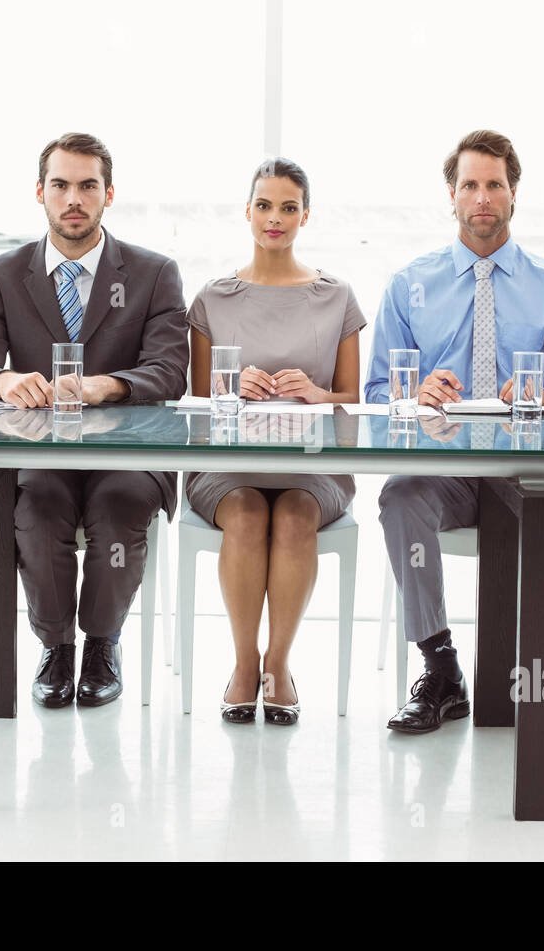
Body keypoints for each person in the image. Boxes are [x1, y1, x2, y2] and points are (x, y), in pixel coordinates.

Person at [365, 129, 544, 735]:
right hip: (444, 469)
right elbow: (375, 394)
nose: (482, 198)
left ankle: (530, 668)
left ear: (514, 194)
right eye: (470, 185)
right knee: (398, 498)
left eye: (494, 185)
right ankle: (440, 669)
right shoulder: (408, 283)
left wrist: (542, 395)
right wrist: (412, 395)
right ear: (452, 195)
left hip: (524, 468)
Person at [0, 132, 187, 709]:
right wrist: (4, 381)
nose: (73, 198)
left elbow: (170, 371)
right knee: (35, 508)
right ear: (40, 192)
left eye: (88, 186)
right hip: (42, 455)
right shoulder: (3, 274)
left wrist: (104, 387)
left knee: (120, 507)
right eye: (61, 185)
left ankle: (102, 644)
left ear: (109, 194)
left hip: (126, 454)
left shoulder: (155, 273)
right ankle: (56, 646)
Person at [186, 157, 365, 725]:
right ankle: (244, 664)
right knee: (243, 514)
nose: (275, 218)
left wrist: (317, 393)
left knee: (291, 517)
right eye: (264, 205)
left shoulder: (336, 297)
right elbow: (193, 399)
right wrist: (231, 384)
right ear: (247, 211)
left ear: (305, 216)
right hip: (228, 465)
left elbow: (353, 398)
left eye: (289, 207)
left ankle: (279, 665)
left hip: (312, 467)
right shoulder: (213, 298)